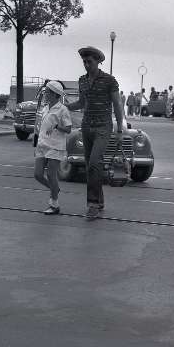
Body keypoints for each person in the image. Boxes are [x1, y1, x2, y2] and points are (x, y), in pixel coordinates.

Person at [66, 46, 124, 220]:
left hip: (103, 127)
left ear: (98, 61)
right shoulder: (82, 80)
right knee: (91, 166)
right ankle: (100, 200)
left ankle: (92, 204)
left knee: (93, 163)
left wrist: (120, 129)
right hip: (86, 126)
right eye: (84, 62)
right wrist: (64, 107)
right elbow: (81, 103)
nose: (86, 65)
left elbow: (117, 104)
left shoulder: (109, 80)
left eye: (89, 62)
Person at [34, 81, 72, 215]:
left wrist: (56, 126)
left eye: (48, 92)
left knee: (51, 174)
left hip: (55, 146)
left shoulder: (62, 109)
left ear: (55, 94)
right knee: (38, 175)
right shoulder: (45, 108)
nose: (45, 93)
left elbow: (68, 129)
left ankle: (54, 204)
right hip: (42, 144)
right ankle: (55, 189)